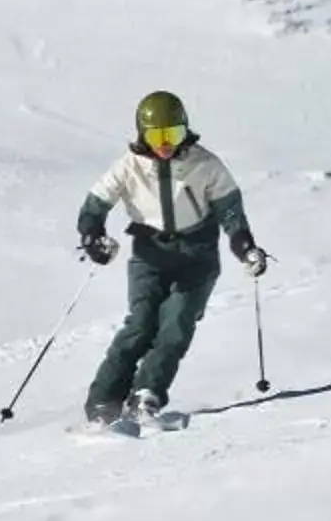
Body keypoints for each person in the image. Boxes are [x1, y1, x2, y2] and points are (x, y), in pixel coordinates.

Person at [76, 91, 270, 427]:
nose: (165, 144)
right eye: (157, 136)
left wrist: (245, 247)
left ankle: (147, 393)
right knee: (140, 324)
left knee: (176, 325)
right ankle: (103, 401)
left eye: (173, 135)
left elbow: (231, 212)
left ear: (185, 131)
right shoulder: (129, 166)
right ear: (142, 134)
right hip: (149, 253)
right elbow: (96, 204)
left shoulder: (205, 164)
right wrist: (92, 236)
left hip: (197, 255)